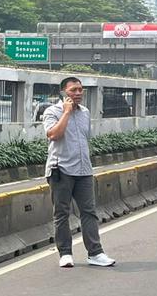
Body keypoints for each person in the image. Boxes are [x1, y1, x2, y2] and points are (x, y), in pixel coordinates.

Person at [43, 76, 117, 269]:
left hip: (84, 169)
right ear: (63, 93)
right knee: (61, 213)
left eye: (80, 90)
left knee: (89, 212)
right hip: (61, 169)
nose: (78, 93)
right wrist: (66, 113)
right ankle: (65, 253)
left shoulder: (85, 113)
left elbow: (85, 139)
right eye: (73, 90)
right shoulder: (52, 111)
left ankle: (95, 253)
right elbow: (53, 135)